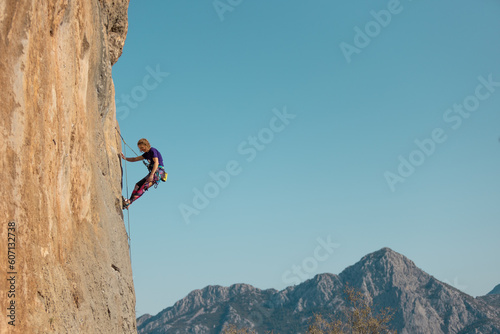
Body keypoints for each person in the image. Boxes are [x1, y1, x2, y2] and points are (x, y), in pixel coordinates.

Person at [121, 138, 166, 209]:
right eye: (140, 148)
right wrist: (125, 158)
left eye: (142, 148)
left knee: (143, 187)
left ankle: (129, 201)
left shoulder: (152, 150)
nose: (141, 150)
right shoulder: (146, 154)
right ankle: (129, 202)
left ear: (146, 145)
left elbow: (156, 163)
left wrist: (151, 175)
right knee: (137, 185)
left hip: (158, 173)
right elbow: (135, 159)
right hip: (153, 172)